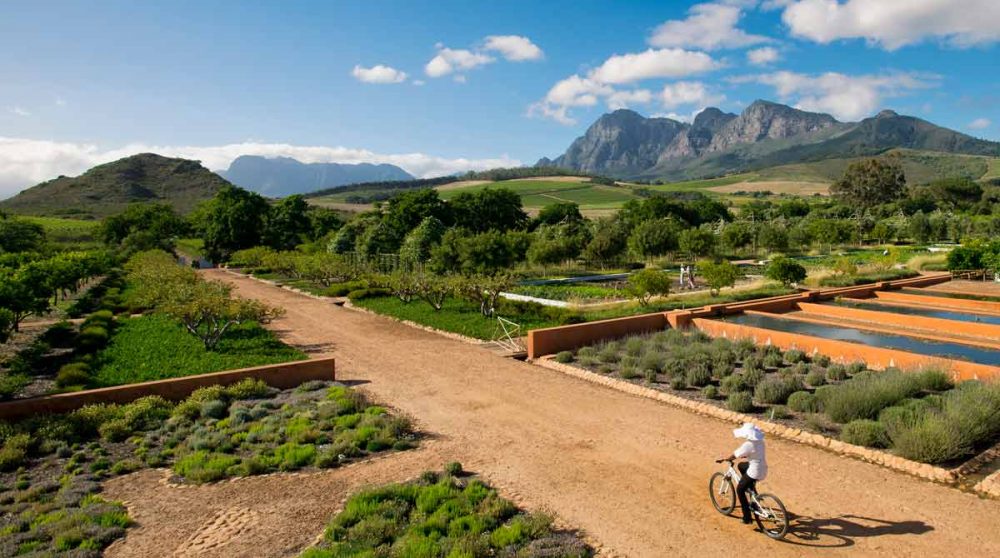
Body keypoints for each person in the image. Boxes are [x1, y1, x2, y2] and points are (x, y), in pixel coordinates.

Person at [718, 422, 768, 525]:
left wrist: (726, 458)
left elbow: (735, 455)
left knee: (740, 490)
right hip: (763, 468)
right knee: (741, 465)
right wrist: (748, 456)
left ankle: (747, 517)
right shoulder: (760, 442)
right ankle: (751, 489)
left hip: (755, 472)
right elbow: (754, 453)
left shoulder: (748, 444)